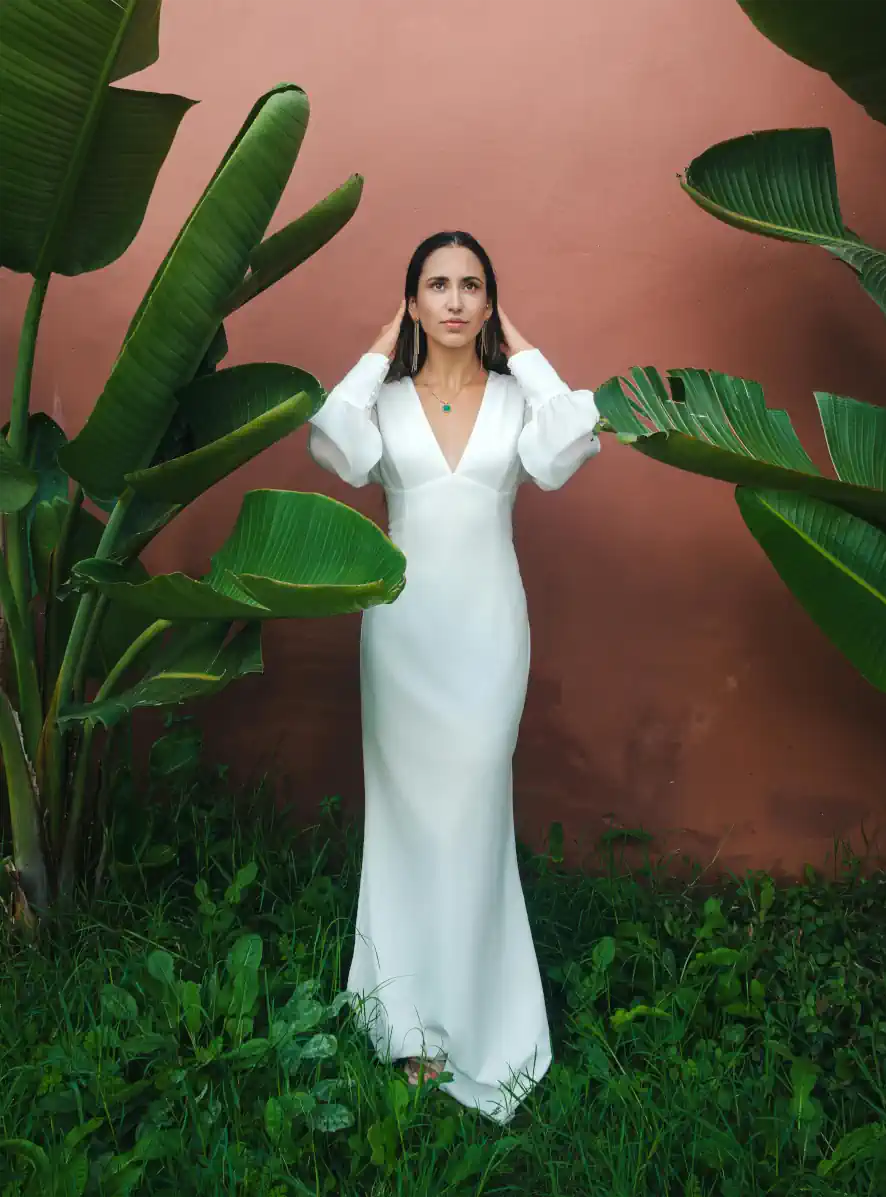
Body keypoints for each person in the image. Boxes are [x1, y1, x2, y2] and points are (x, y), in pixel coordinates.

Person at [307, 230, 600, 1123]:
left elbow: (571, 441)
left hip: (487, 633)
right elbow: (332, 439)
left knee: (474, 814)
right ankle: (408, 1029)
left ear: (491, 303)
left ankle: (483, 1026)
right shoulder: (384, 402)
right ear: (412, 301)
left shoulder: (517, 400)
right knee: (406, 824)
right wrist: (370, 349)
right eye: (437, 284)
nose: (456, 301)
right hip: (401, 636)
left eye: (473, 285)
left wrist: (529, 347)